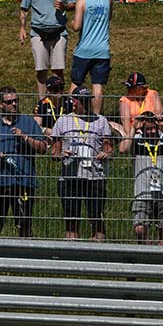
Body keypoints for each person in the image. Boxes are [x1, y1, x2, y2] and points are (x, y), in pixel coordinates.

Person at [0, 86, 47, 237]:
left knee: (24, 225)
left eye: (16, 101)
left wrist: (25, 137)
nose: (14, 104)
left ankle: (26, 255)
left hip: (23, 182)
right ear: (1, 104)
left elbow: (43, 148)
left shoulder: (29, 123)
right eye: (9, 102)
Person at [49, 86, 113, 241]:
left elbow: (109, 149)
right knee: (71, 219)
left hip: (94, 176)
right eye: (81, 101)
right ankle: (72, 251)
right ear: (73, 102)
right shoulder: (63, 121)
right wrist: (61, 154)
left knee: (96, 217)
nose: (85, 104)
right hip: (70, 177)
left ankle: (98, 251)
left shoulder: (101, 121)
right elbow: (54, 153)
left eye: (87, 101)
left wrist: (106, 154)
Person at [118, 110, 163, 246]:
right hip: (142, 193)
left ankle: (161, 259)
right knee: (139, 229)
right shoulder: (136, 141)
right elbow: (123, 149)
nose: (151, 132)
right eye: (147, 129)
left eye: (153, 128)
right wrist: (133, 127)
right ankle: (146, 252)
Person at [19, 0, 76, 97]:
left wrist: (64, 6)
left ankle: (59, 101)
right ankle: (43, 101)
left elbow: (73, 4)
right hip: (38, 33)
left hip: (58, 33)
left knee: (58, 69)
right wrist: (22, 28)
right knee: (41, 69)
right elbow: (24, 9)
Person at [70, 0, 112, 115]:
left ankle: (72, 114)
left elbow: (77, 27)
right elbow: (109, 17)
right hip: (102, 49)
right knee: (98, 85)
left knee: (76, 82)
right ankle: (97, 116)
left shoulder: (82, 1)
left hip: (84, 50)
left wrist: (71, 23)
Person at [117, 72, 163, 137]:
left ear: (142, 88)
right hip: (135, 133)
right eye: (127, 87)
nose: (128, 90)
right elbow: (126, 123)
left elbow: (159, 114)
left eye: (131, 88)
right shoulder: (124, 100)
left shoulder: (153, 94)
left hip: (153, 130)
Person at [33, 74, 71, 138]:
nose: (59, 91)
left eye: (61, 88)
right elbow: (36, 125)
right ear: (48, 91)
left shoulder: (69, 102)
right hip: (48, 136)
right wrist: (46, 130)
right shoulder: (42, 104)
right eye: (56, 89)